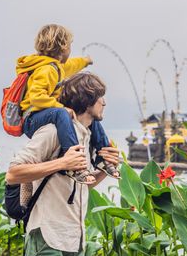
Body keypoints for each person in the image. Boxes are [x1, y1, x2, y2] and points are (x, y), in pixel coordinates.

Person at [6, 72, 120, 255]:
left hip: (74, 240)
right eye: (100, 97)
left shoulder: (87, 136)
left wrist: (105, 170)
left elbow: (82, 187)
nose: (104, 102)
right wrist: (62, 163)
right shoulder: (52, 131)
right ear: (87, 100)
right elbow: (13, 173)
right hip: (47, 239)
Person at [17, 24, 119, 183]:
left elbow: (71, 65)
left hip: (45, 114)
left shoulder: (56, 67)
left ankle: (102, 157)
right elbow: (37, 97)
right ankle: (74, 162)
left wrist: (85, 61)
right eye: (70, 46)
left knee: (91, 117)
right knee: (62, 113)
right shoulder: (46, 70)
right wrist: (61, 107)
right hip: (32, 119)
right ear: (63, 47)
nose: (70, 50)